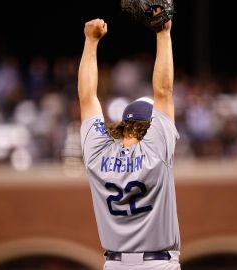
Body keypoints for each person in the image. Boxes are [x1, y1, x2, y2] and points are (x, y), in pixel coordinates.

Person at [78, 12, 181, 270]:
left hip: (114, 264)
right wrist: (163, 32)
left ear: (125, 123)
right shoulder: (156, 150)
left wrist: (90, 42)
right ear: (150, 125)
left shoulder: (98, 152)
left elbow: (87, 97)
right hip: (158, 263)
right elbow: (164, 92)